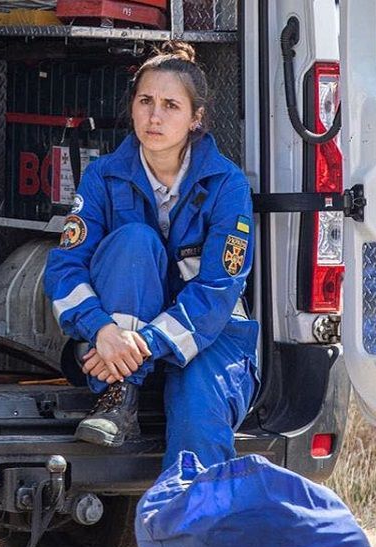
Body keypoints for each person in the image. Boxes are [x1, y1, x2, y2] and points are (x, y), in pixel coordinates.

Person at [43, 41, 258, 469]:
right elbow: (65, 267)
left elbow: (218, 290)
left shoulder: (226, 184)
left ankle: (195, 529)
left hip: (207, 333)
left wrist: (141, 345)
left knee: (201, 412)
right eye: (145, 101)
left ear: (196, 118)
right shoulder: (103, 176)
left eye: (170, 105)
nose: (154, 116)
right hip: (115, 339)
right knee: (135, 241)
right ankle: (118, 396)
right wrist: (102, 331)